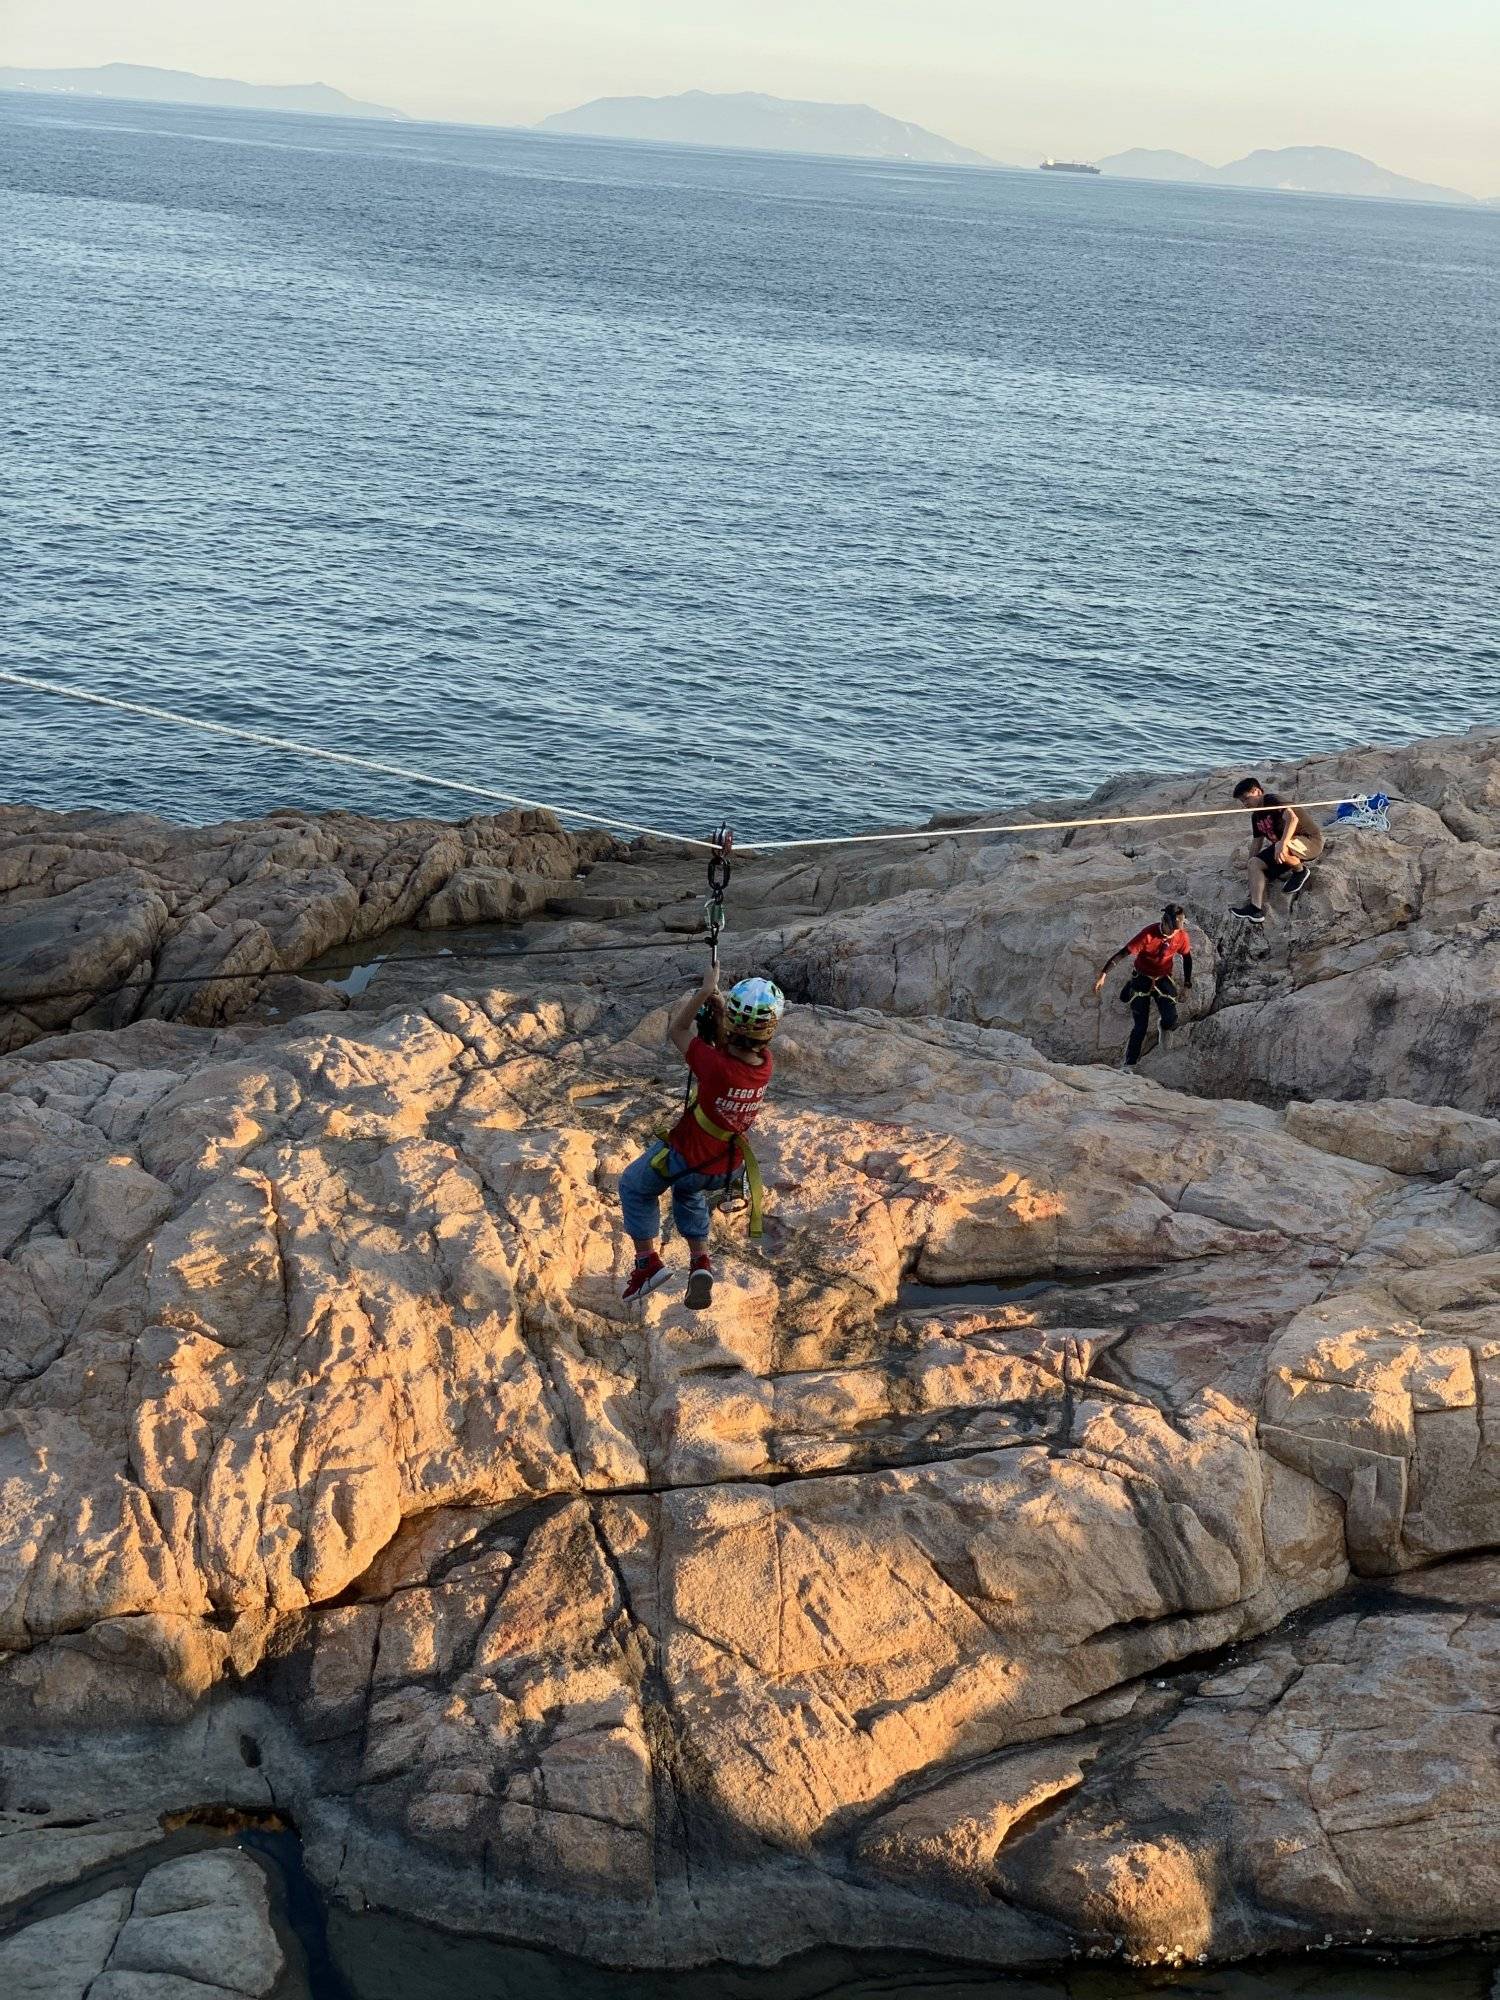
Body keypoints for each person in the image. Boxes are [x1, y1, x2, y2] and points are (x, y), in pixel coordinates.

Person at [618, 967, 785, 1309]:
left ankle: (647, 1264)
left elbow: (677, 1030)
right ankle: (700, 1262)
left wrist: (705, 990)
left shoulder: (715, 1065)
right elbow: (731, 1047)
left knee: (634, 1186)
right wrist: (719, 1009)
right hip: (728, 1164)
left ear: (734, 1023)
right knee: (687, 1191)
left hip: (691, 1156)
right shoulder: (764, 1064)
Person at [1094, 905, 1193, 1067]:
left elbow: (1187, 958)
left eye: (1176, 930)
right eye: (1171, 929)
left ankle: (1163, 1026)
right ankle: (1129, 1065)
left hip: (1163, 978)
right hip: (1142, 977)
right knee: (1141, 1027)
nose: (1173, 933)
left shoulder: (1180, 936)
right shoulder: (1148, 934)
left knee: (1171, 1018)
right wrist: (1103, 974)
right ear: (1164, 921)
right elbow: (1124, 953)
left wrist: (1187, 985)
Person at [1229, 776, 1325, 923]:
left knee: (1283, 846)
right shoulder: (1256, 817)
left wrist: (1282, 843)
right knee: (1254, 863)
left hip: (1310, 842)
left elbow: (1292, 819)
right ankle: (1255, 909)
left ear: (1257, 791)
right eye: (1242, 801)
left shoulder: (1272, 800)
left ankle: (1300, 871)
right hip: (1283, 849)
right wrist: (1248, 863)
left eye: (1246, 798)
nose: (1245, 804)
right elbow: (1257, 842)